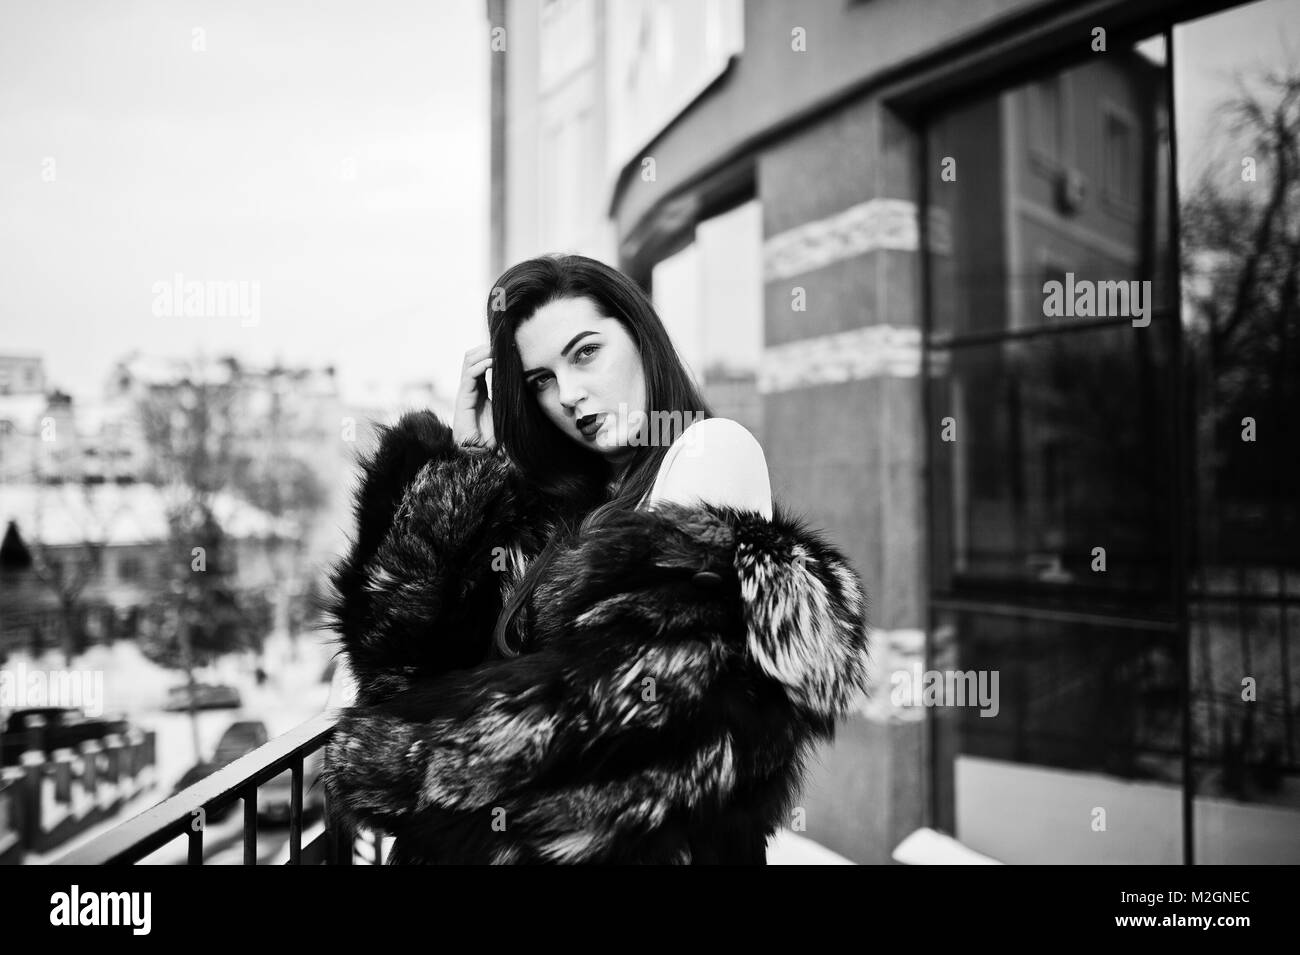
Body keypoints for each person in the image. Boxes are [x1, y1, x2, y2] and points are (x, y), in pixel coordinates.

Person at [321, 253, 870, 864]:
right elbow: (397, 671)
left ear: (640, 336)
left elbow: (620, 733)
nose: (570, 395)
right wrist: (467, 466)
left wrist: (403, 761)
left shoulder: (711, 454)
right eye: (540, 381)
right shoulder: (547, 513)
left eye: (585, 353)